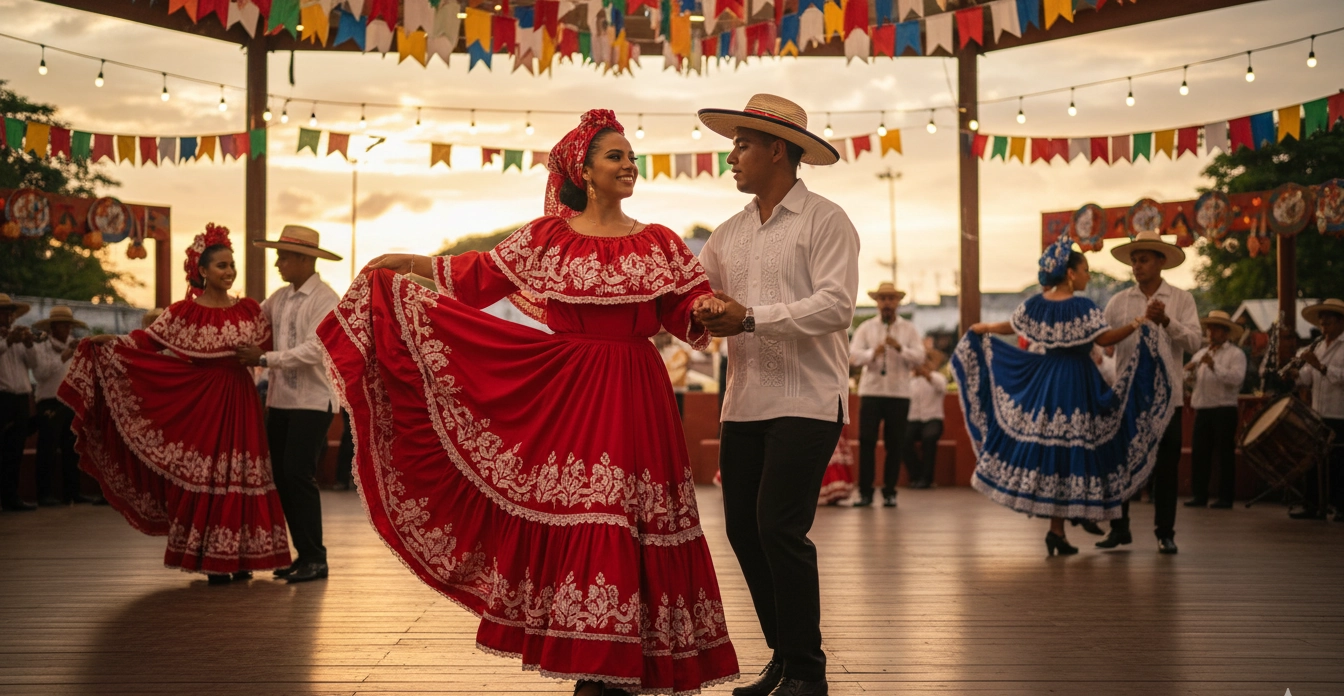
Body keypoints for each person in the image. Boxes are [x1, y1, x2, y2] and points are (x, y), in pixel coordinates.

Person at [318, 110, 739, 696]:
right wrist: (407, 265)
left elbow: (684, 307)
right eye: (615, 156)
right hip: (571, 391)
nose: (629, 165)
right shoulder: (548, 239)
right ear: (583, 171)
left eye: (631, 157)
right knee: (588, 509)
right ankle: (594, 661)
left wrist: (707, 308)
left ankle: (631, 659)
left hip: (638, 390)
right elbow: (476, 275)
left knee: (634, 514)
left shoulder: (660, 242)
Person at [694, 94, 859, 696]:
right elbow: (698, 297)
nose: (731, 157)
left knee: (778, 529)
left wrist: (749, 318)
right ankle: (785, 656)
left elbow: (837, 306)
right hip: (743, 402)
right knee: (744, 530)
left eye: (742, 145)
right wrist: (702, 311)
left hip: (807, 399)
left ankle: (807, 670)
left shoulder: (826, 220)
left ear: (778, 151)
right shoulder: (727, 234)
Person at [58, 225, 291, 583]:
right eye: (221, 266)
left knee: (244, 472)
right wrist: (110, 343)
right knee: (207, 473)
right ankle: (213, 559)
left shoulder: (249, 310)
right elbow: (146, 341)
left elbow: (272, 346)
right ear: (202, 271)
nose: (229, 271)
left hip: (241, 399)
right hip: (204, 402)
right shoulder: (185, 313)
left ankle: (241, 556)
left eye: (232, 265)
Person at [952, 237, 1175, 556]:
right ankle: (1063, 526)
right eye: (1084, 270)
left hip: (1046, 380)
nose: (1088, 276)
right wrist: (1139, 322)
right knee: (1074, 450)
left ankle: (1057, 531)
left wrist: (983, 327)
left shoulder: (1037, 303)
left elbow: (1011, 326)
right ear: (1070, 273)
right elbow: (1105, 338)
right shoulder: (1082, 307)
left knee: (1052, 450)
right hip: (1077, 381)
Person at [236, 226, 343, 585]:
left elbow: (316, 349)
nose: (278, 263)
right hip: (281, 400)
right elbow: (253, 321)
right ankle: (305, 555)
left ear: (303, 259)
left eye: (283, 257)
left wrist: (264, 359)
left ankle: (315, 557)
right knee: (282, 476)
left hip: (312, 401)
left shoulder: (325, 299)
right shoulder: (279, 298)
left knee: (297, 474)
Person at [1095, 230, 1202, 555]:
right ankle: (1119, 527)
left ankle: (1165, 532)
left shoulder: (1181, 299)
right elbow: (1102, 340)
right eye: (1134, 261)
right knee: (1121, 463)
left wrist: (1166, 321)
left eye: (1143, 260)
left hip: (1168, 400)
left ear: (1160, 262)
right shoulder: (1119, 301)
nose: (1137, 266)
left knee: (1167, 467)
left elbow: (1195, 342)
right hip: (1128, 397)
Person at [848, 282, 925, 507]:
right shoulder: (866, 328)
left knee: (895, 443)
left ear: (898, 302)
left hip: (899, 394)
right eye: (883, 299)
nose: (887, 303)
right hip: (871, 392)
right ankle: (865, 492)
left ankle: (890, 492)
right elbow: (853, 357)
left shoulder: (909, 329)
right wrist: (874, 352)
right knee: (867, 442)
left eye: (891, 299)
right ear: (877, 302)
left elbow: (920, 357)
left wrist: (900, 348)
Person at [30, 306, 100, 506]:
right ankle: (44, 494)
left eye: (69, 325)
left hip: (71, 401)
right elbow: (40, 373)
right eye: (63, 325)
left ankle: (73, 492)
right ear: (53, 327)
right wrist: (65, 354)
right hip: (49, 400)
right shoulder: (41, 345)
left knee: (72, 449)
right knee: (48, 448)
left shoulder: (73, 344)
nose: (67, 329)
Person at [1184, 311, 1247, 509]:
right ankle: (1199, 495)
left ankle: (1225, 497)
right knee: (1200, 454)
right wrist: (1189, 374)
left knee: (1224, 455)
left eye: (1216, 329)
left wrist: (1214, 367)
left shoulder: (1235, 354)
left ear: (1226, 332)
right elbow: (1192, 383)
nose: (1211, 333)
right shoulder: (1200, 354)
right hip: (1202, 408)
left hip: (1224, 408)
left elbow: (1236, 380)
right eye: (1209, 329)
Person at [1288, 299, 1344, 521]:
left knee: (1339, 462)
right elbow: (1308, 378)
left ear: (1340, 322)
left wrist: (1320, 365)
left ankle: (1340, 507)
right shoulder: (1319, 346)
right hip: (1318, 411)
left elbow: (1340, 377)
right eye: (1322, 323)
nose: (1324, 326)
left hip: (1339, 412)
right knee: (1314, 460)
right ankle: (1312, 505)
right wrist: (1295, 373)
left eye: (1328, 322)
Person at [0, 293, 37, 512]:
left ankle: (11, 496)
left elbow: (35, 365)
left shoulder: (17, 337)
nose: (8, 317)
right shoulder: (7, 339)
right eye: (4, 313)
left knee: (15, 449)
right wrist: (7, 341)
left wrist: (29, 345)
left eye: (9, 313)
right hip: (2, 396)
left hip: (21, 397)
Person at [903, 350, 946, 489]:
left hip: (932, 418)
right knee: (902, 440)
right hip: (913, 419)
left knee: (929, 438)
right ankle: (915, 476)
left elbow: (941, 387)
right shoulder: (908, 380)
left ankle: (926, 479)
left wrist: (927, 375)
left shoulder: (937, 377)